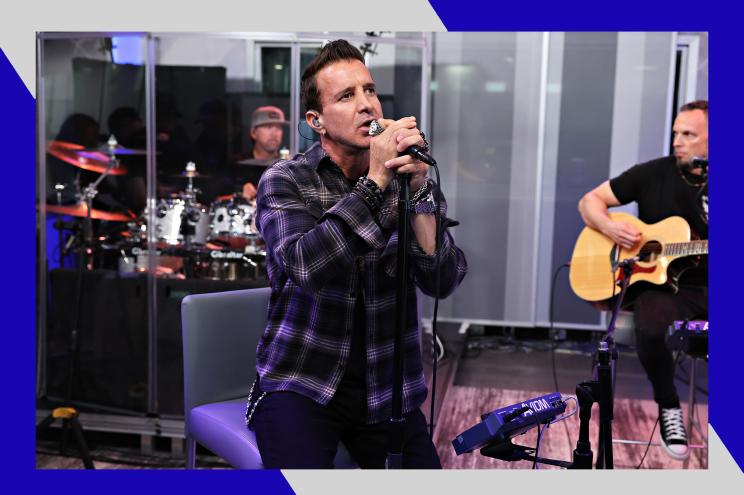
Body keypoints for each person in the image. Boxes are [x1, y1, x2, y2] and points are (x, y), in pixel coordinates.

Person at [246, 39, 468, 469]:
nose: (367, 105)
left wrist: (420, 192)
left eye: (369, 90)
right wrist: (376, 180)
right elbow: (308, 266)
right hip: (303, 382)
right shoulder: (286, 180)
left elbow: (442, 279)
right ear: (317, 121)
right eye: (347, 96)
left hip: (387, 389)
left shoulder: (407, 177)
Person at [578, 100, 708, 460]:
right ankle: (668, 407)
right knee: (649, 325)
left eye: (689, 134)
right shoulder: (654, 173)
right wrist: (609, 227)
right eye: (675, 133)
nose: (678, 141)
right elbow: (590, 201)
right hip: (662, 286)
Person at [238, 105, 289, 199]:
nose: (274, 133)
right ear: (253, 133)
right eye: (268, 127)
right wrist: (240, 189)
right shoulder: (238, 165)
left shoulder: (289, 165)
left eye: (278, 127)